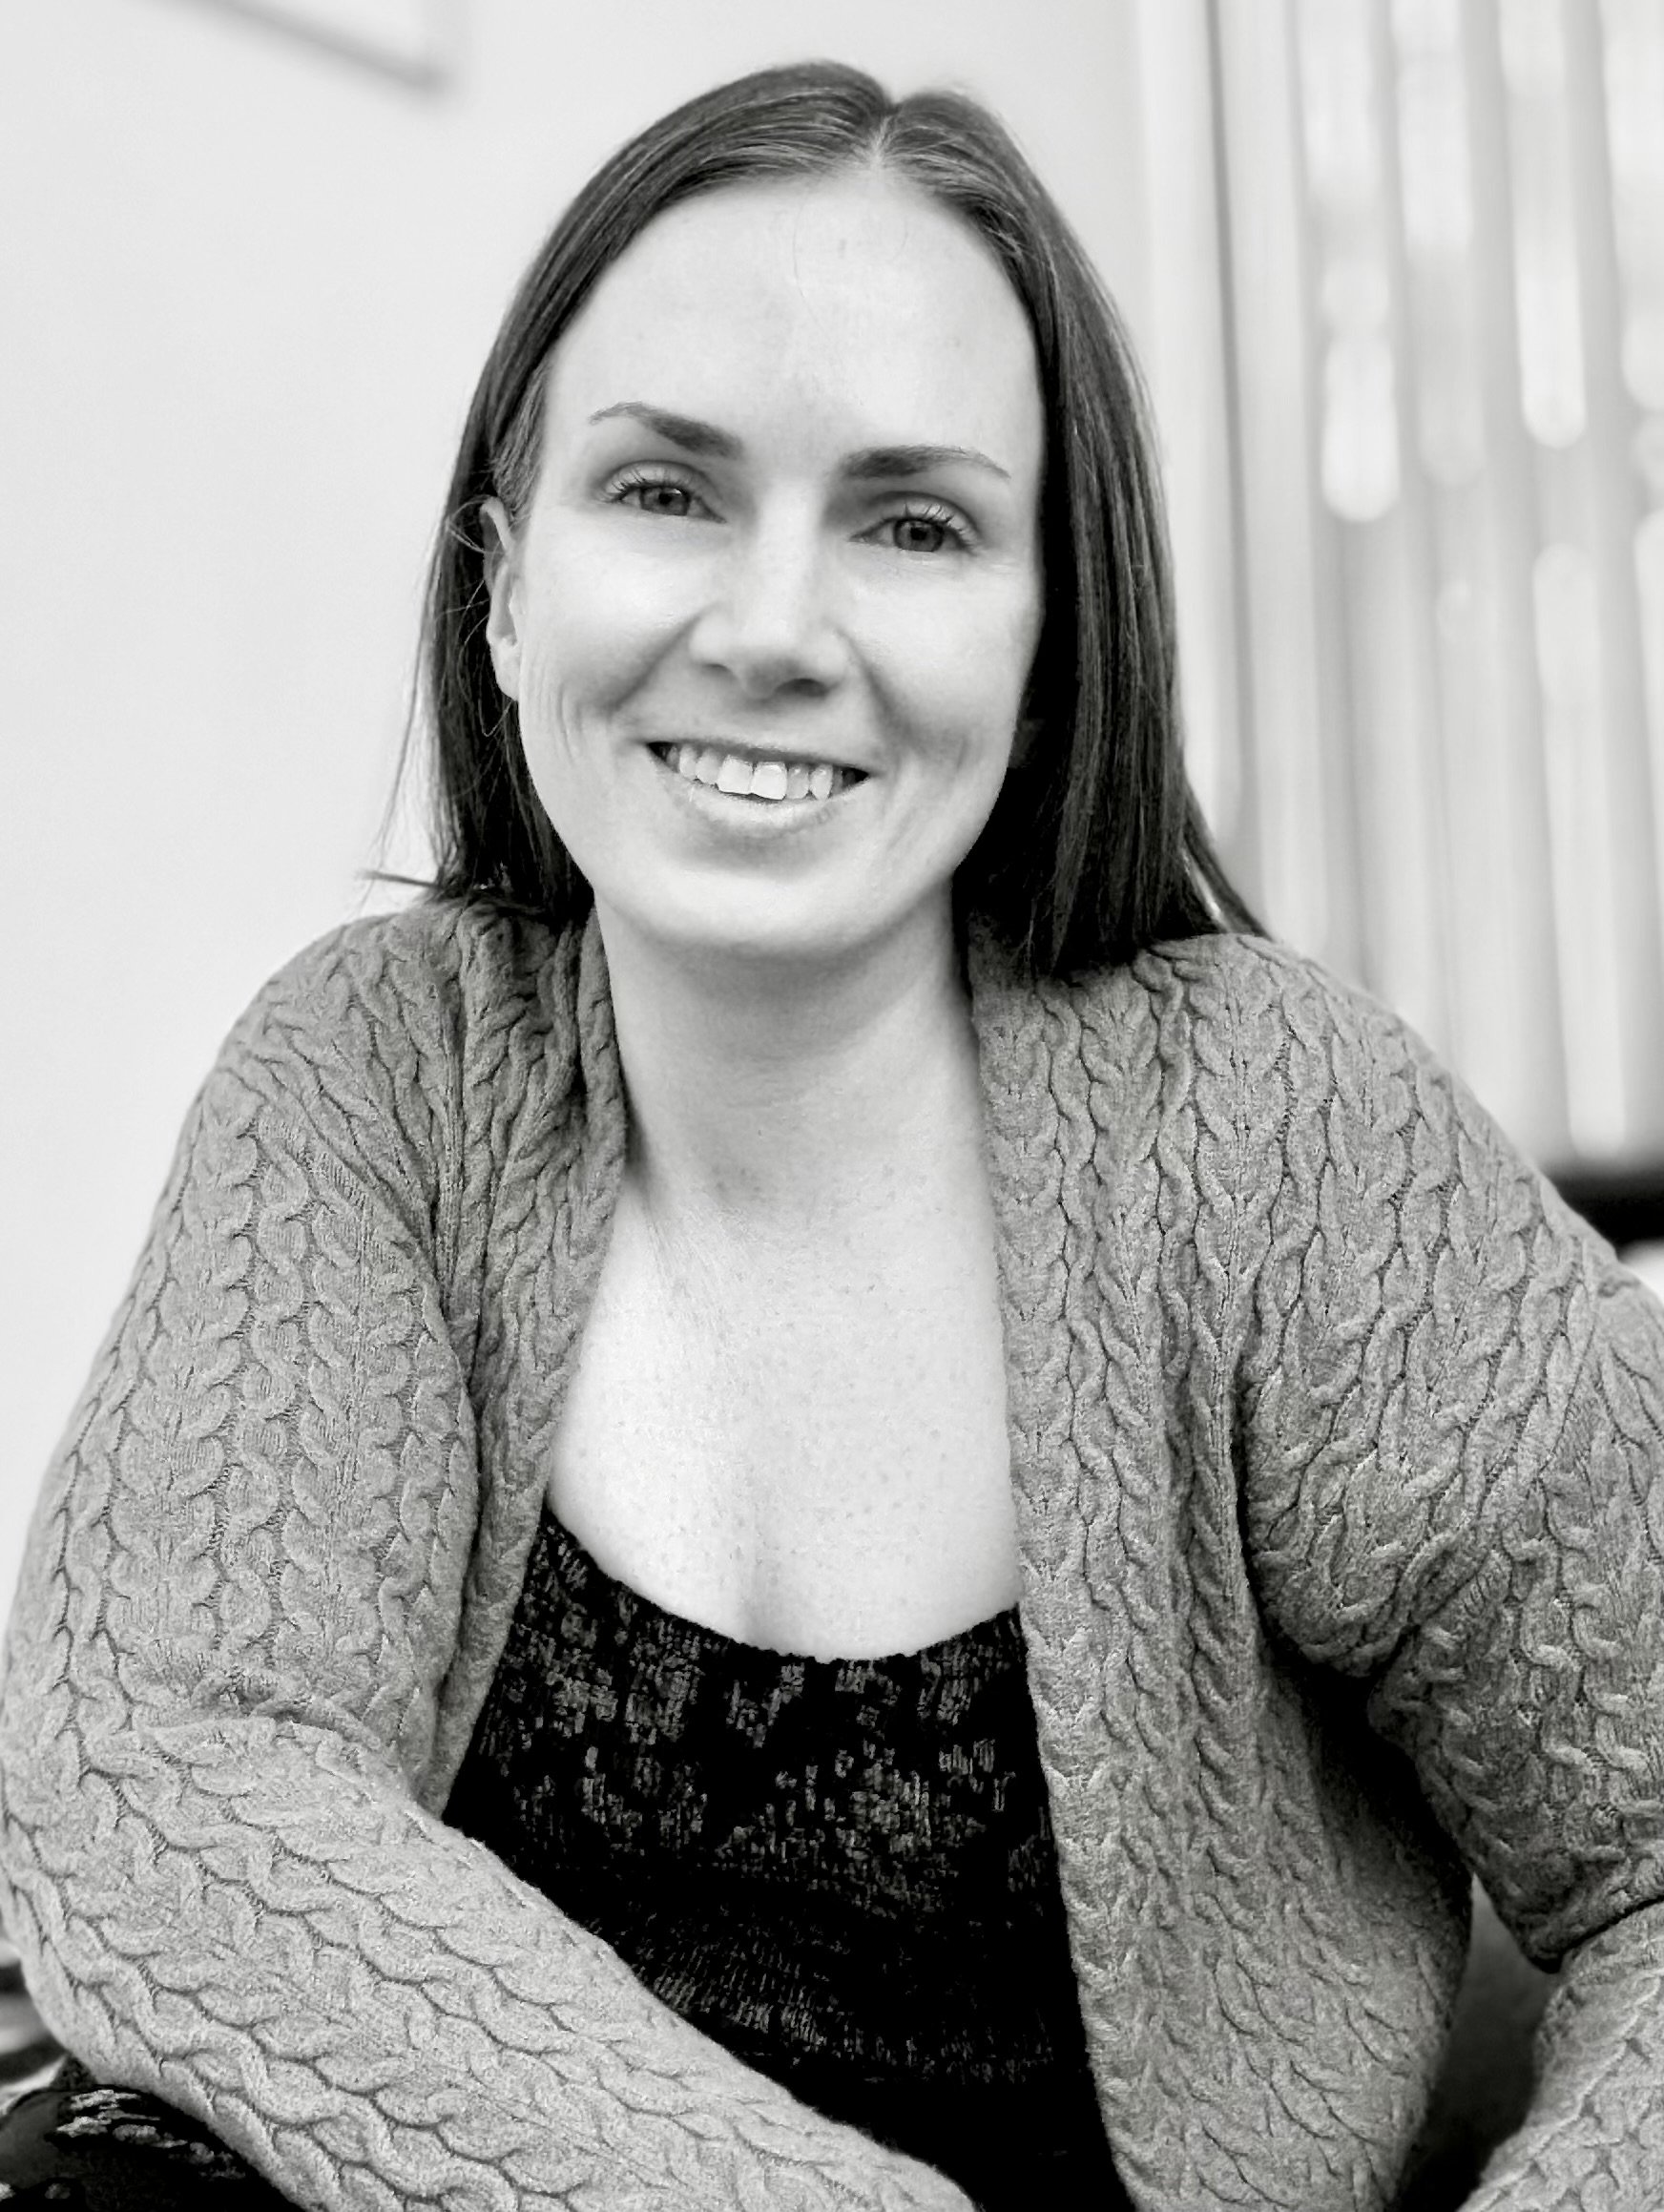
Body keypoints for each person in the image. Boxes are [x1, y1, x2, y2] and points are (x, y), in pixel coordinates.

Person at [1, 54, 1661, 2212]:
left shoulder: (1274, 1141)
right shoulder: (373, 1078)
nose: (771, 629)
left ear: (1044, 652)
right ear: (506, 591)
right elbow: (159, 1785)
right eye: (665, 492)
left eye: (911, 523)